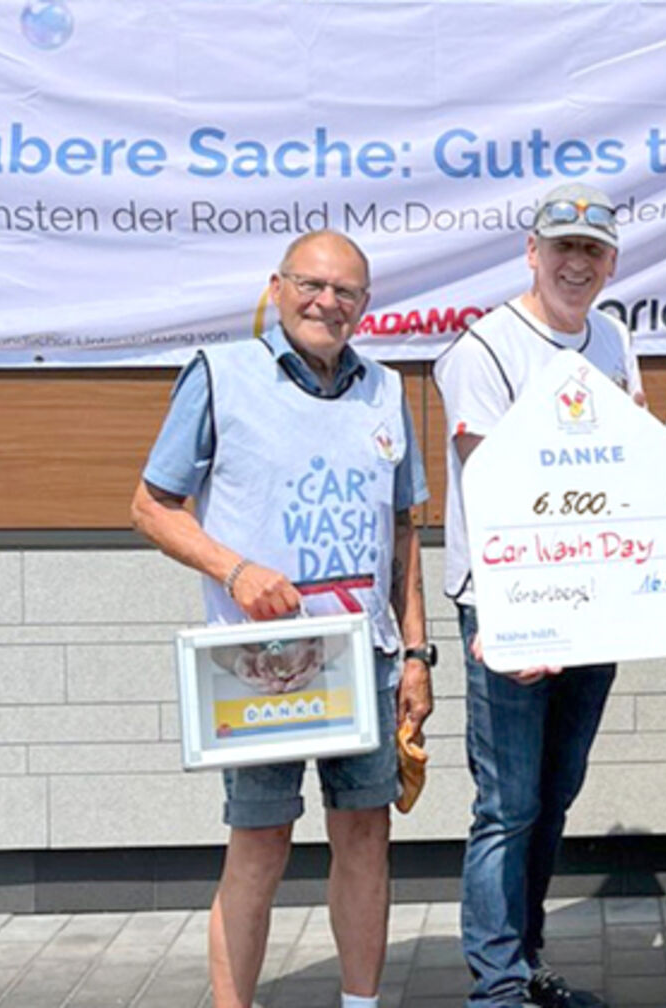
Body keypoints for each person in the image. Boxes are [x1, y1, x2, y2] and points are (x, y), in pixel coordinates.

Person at [130, 230, 435, 1008]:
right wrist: (235, 570)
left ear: (365, 306)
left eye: (346, 292)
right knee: (259, 843)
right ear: (277, 286)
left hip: (363, 657)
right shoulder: (220, 376)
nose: (326, 302)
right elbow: (151, 506)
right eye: (312, 284)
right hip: (257, 662)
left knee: (365, 836)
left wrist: (417, 654)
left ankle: (361, 1003)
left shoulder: (387, 390)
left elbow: (404, 533)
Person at [432, 181, 642, 1008]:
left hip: (591, 605)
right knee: (508, 805)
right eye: (562, 247)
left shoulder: (614, 339)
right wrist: (509, 621)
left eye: (592, 250)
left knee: (554, 797)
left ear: (611, 261)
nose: (576, 263)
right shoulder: (486, 348)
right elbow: (492, 488)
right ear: (531, 251)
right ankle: (496, 988)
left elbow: (625, 468)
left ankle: (526, 963)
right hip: (509, 606)